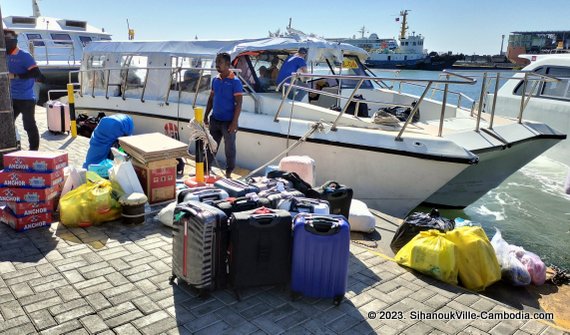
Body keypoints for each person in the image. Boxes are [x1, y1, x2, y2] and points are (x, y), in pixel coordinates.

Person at [205, 53, 243, 178]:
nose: (217, 65)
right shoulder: (215, 80)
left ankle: (229, 172)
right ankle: (206, 169)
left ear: (228, 64)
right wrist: (206, 115)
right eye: (216, 62)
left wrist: (234, 122)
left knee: (229, 149)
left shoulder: (235, 82)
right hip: (215, 119)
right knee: (211, 146)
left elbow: (239, 103)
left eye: (219, 62)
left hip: (228, 122)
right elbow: (211, 99)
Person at [4, 29, 44, 151]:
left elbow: (37, 74)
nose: (5, 40)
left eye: (8, 38)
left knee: (29, 125)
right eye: (3, 38)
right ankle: (12, 148)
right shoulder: (4, 55)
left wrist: (16, 76)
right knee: (6, 125)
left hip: (26, 98)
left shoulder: (24, 56)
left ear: (15, 40)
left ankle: (34, 152)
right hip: (10, 98)